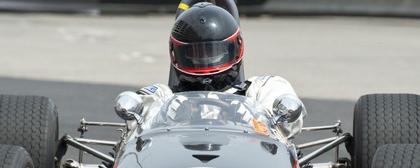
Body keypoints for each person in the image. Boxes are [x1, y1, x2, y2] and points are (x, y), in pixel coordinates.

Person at [130, 1, 305, 138]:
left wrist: (254, 120)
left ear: (236, 48)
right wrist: (163, 115)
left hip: (250, 167)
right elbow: (134, 126)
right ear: (176, 54)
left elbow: (290, 125)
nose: (205, 60)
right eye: (194, 54)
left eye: (214, 52)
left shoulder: (263, 88)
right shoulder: (162, 96)